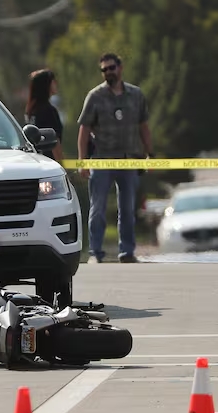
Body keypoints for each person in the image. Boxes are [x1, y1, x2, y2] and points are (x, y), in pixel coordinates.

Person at [76, 52, 153, 264]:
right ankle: (96, 253)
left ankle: (127, 251)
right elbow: (84, 131)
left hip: (129, 160)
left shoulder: (136, 95)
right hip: (102, 160)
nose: (108, 73)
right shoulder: (95, 96)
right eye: (104, 70)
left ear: (120, 68)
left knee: (128, 209)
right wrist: (83, 161)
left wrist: (150, 154)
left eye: (111, 68)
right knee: (98, 208)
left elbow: (143, 126)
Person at [24, 69, 63, 163]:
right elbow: (54, 142)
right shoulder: (49, 111)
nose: (56, 84)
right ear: (46, 85)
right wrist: (63, 166)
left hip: (35, 160)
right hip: (49, 163)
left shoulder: (30, 110)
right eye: (53, 82)